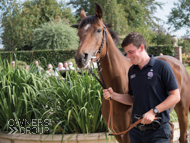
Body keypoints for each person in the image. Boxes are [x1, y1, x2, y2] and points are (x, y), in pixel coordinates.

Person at [103, 32, 180, 143]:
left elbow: (176, 96)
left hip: (158, 131)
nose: (128, 56)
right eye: (126, 53)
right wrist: (114, 95)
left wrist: (154, 111)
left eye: (130, 52)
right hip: (136, 133)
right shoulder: (132, 71)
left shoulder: (162, 67)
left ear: (142, 48)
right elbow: (132, 98)